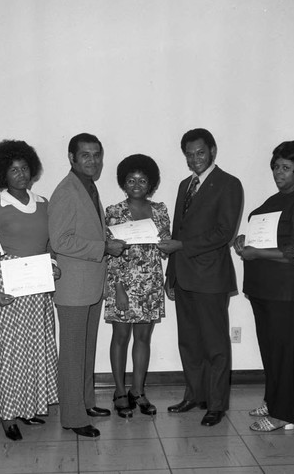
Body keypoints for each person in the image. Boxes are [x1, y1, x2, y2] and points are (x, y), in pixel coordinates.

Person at [0, 140, 59, 441]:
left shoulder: (45, 204)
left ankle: (27, 408)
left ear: (32, 170)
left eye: (24, 169)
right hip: (6, 288)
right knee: (9, 353)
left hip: (36, 289)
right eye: (13, 170)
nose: (20, 175)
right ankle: (8, 414)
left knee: (32, 350)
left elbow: (47, 245)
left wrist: (53, 264)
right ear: (2, 175)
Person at [158, 128, 243, 427]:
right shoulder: (185, 185)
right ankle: (195, 394)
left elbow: (224, 232)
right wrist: (172, 274)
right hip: (184, 276)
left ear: (213, 151)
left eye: (200, 153)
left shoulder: (228, 184)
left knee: (215, 344)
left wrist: (181, 247)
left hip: (210, 277)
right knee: (189, 342)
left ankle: (216, 404)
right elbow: (178, 230)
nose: (195, 159)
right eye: (189, 155)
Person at [233, 140, 294, 432]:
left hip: (289, 291)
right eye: (276, 167)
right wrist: (244, 241)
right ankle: (273, 401)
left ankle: (285, 414)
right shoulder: (273, 201)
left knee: (286, 351)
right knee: (271, 350)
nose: (278, 173)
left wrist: (256, 253)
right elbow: (265, 238)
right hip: (264, 289)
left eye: (286, 168)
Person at [48, 133, 126, 438]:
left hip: (90, 283)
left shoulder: (87, 187)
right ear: (71, 158)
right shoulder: (67, 190)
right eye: (86, 155)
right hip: (73, 286)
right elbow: (61, 240)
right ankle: (72, 416)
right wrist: (104, 247)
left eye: (97, 155)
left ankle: (85, 403)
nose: (93, 161)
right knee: (72, 353)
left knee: (86, 350)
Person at [105, 154, 171, 418]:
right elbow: (111, 252)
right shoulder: (114, 211)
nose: (136, 184)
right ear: (123, 182)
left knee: (143, 338)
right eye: (131, 180)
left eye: (142, 180)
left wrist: (166, 240)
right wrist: (119, 287)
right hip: (122, 284)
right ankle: (120, 391)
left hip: (151, 283)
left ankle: (138, 390)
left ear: (150, 184)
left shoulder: (160, 210)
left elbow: (163, 247)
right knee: (121, 338)